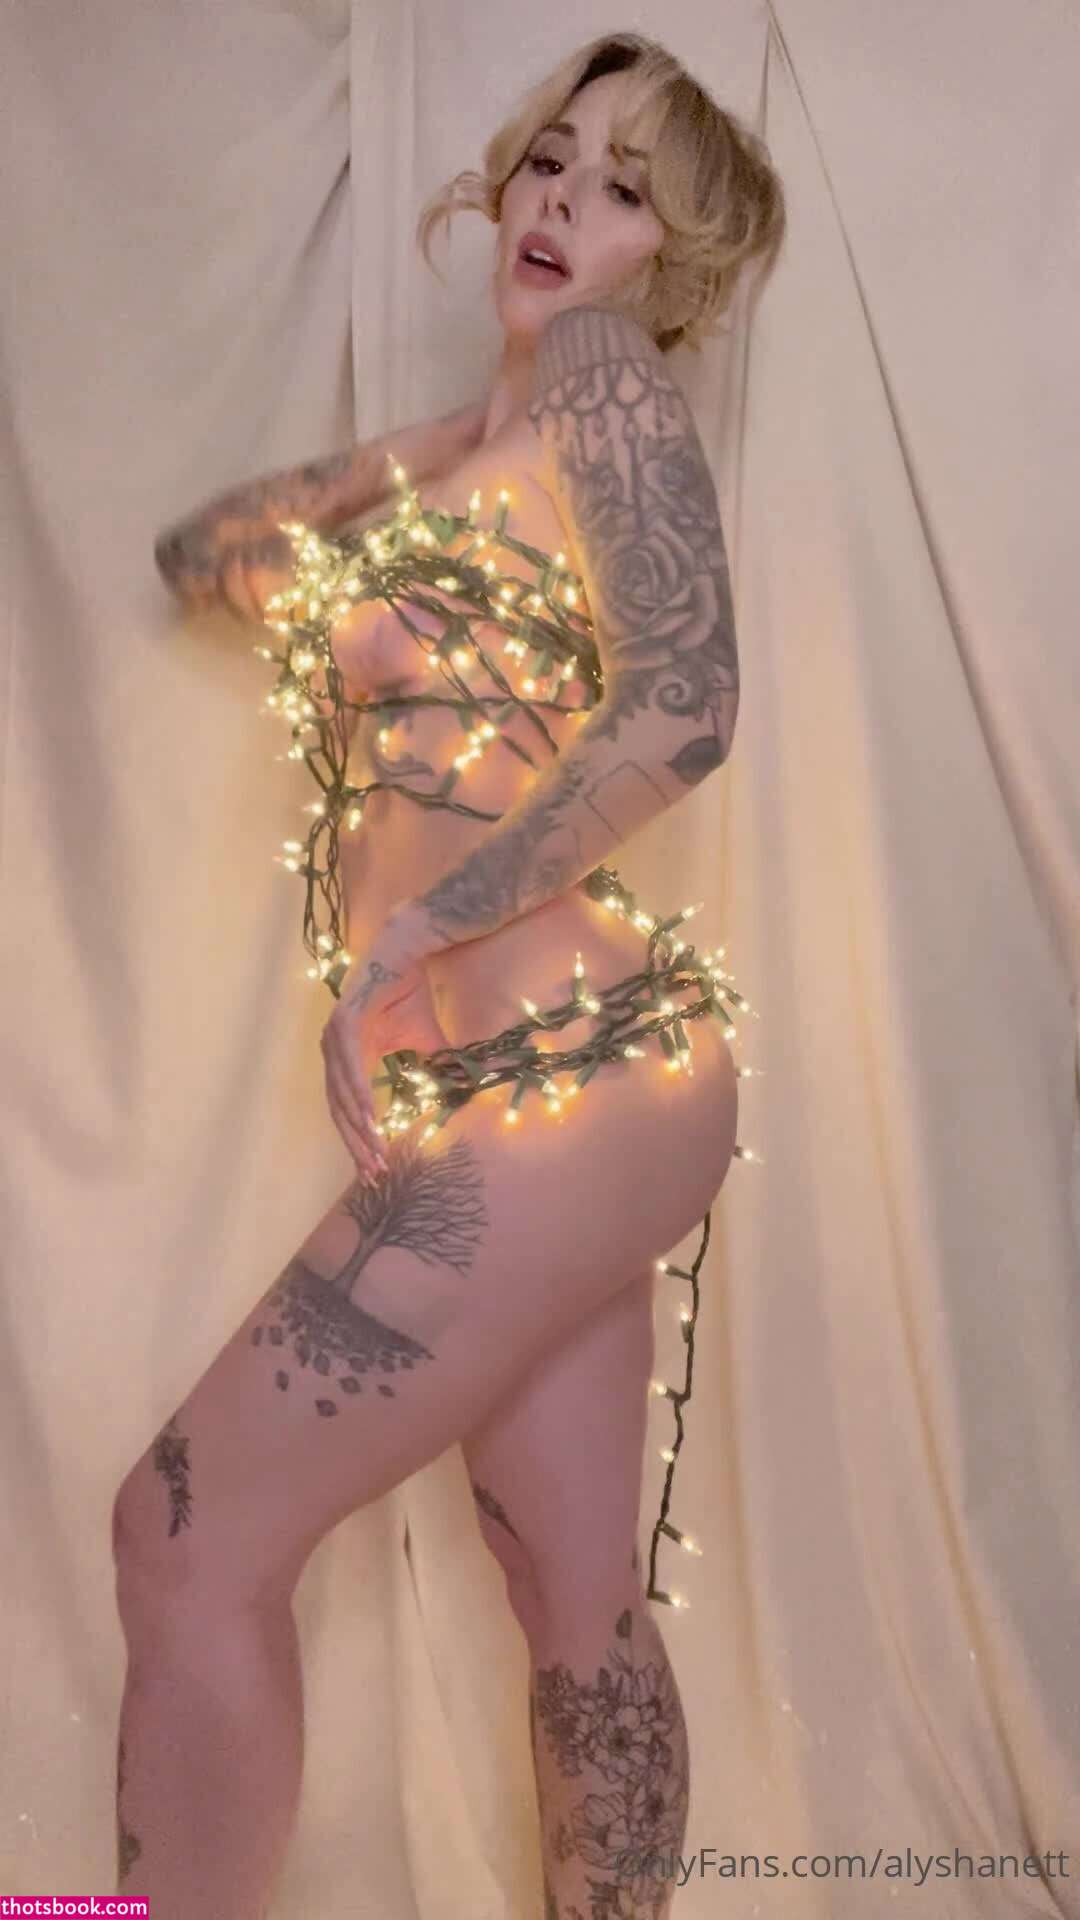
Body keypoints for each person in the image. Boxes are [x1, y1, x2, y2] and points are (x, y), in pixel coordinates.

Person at [135, 30, 785, 1917]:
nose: (564, 203)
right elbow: (203, 552)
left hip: (563, 1065)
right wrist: (445, 434)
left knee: (178, 1537)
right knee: (571, 1586)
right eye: (549, 162)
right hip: (558, 1087)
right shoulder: (505, 442)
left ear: (673, 263)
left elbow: (689, 700)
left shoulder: (604, 383)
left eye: (625, 188)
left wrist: (418, 937)